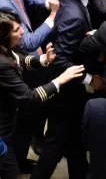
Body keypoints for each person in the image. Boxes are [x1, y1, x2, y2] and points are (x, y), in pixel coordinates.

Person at [31, 0, 103, 179]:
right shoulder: (74, 17)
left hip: (67, 91)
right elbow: (62, 61)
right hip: (65, 93)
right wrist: (90, 79)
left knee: (74, 141)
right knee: (55, 143)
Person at [0, 11, 84, 179]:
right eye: (17, 30)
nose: (22, 32)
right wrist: (60, 80)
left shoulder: (7, 49)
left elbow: (20, 60)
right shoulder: (1, 64)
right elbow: (29, 98)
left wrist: (43, 60)